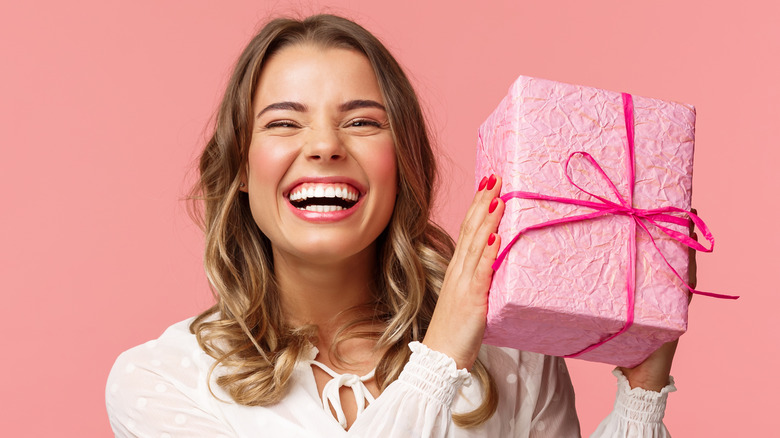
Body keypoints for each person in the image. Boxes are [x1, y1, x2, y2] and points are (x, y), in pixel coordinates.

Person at [106, 14, 684, 437]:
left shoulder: (515, 359)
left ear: (402, 161)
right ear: (239, 167)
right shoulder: (162, 380)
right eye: (284, 123)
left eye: (362, 121)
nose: (326, 147)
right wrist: (439, 361)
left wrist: (641, 392)